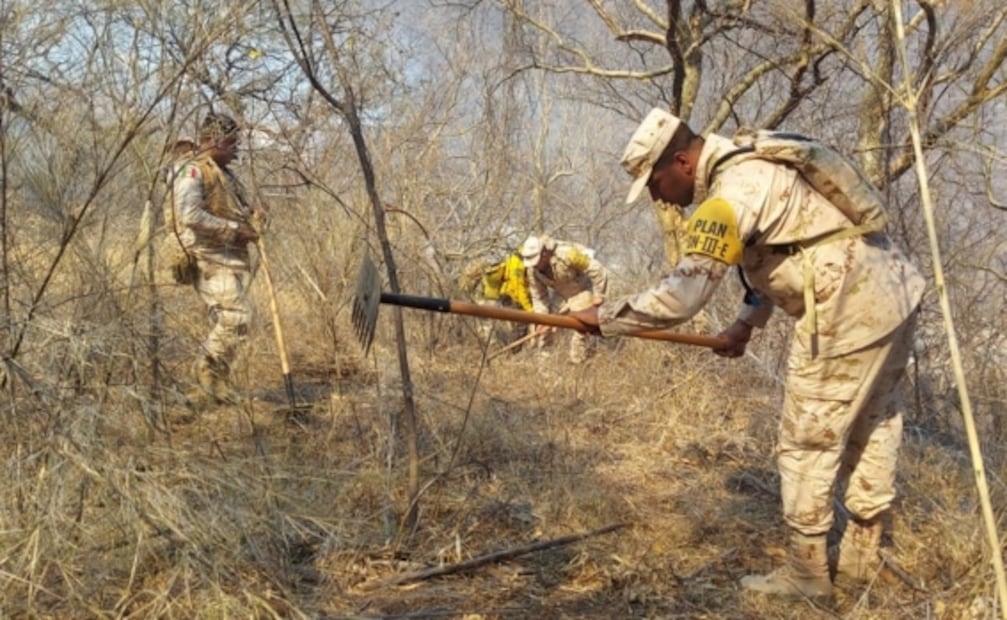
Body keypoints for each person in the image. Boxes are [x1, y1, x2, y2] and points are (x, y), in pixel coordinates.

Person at [571, 108, 925, 600]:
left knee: (808, 440)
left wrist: (607, 318)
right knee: (875, 422)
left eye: (654, 182)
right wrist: (745, 323)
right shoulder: (753, 165)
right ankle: (861, 558)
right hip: (893, 289)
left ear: (682, 163)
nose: (657, 196)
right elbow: (786, 251)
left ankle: (806, 574)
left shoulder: (728, 197)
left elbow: (684, 296)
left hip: (847, 308)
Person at [167, 112, 261, 408]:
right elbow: (190, 215)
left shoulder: (223, 174)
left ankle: (217, 382)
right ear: (215, 140)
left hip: (225, 256)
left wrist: (252, 216)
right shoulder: (190, 170)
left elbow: (232, 208)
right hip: (204, 255)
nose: (236, 149)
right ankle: (206, 372)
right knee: (236, 316)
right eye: (232, 143)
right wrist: (234, 229)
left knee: (238, 318)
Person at [520, 234, 609, 364]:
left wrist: (599, 295)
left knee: (581, 328)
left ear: (544, 253)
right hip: (561, 295)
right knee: (545, 331)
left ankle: (580, 362)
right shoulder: (532, 271)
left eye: (536, 260)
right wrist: (542, 318)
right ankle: (545, 367)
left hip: (582, 289)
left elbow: (598, 270)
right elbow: (539, 297)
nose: (535, 266)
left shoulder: (568, 254)